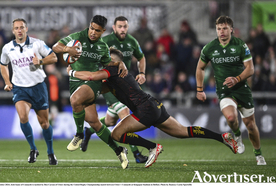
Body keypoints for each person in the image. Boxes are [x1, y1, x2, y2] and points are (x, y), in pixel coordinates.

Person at [67, 47, 238, 168]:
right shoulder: (115, 75)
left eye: (108, 58)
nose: (105, 61)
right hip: (154, 105)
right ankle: (222, 137)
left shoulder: (113, 70)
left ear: (115, 61)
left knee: (117, 134)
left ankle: (152, 147)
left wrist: (72, 72)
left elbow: (91, 77)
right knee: (184, 132)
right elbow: (95, 87)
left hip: (145, 109)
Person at [52, 15, 129, 169]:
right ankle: (119, 150)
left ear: (103, 31)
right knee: (94, 123)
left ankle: (79, 134)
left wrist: (120, 63)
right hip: (75, 82)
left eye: (97, 30)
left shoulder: (102, 46)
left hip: (92, 82)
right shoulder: (78, 37)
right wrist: (68, 49)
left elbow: (108, 63)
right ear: (89, 25)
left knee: (75, 101)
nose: (93, 32)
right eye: (92, 28)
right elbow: (55, 47)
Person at [195, 16, 266, 165]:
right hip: (224, 91)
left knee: (251, 125)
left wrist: (237, 79)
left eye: (225, 28)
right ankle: (237, 135)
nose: (221, 31)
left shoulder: (240, 45)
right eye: (219, 29)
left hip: (241, 89)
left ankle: (258, 154)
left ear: (231, 30)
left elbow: (250, 69)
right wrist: (200, 89)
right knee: (231, 118)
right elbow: (200, 67)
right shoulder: (209, 48)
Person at [80, 16, 148, 163]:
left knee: (110, 121)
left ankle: (89, 130)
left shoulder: (132, 42)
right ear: (114, 27)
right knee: (125, 115)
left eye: (125, 26)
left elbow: (141, 58)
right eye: (120, 26)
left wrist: (142, 73)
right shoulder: (105, 41)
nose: (122, 29)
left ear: (127, 27)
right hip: (109, 85)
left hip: (125, 85)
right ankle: (136, 154)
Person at [0, 18, 58, 165]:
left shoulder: (37, 44)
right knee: (23, 117)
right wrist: (7, 82)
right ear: (13, 31)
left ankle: (50, 152)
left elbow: (54, 57)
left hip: (38, 87)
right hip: (20, 88)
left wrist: (41, 61)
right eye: (16, 28)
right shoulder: (7, 48)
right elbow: (3, 65)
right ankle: (33, 149)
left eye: (22, 27)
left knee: (44, 123)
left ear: (26, 29)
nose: (19, 30)